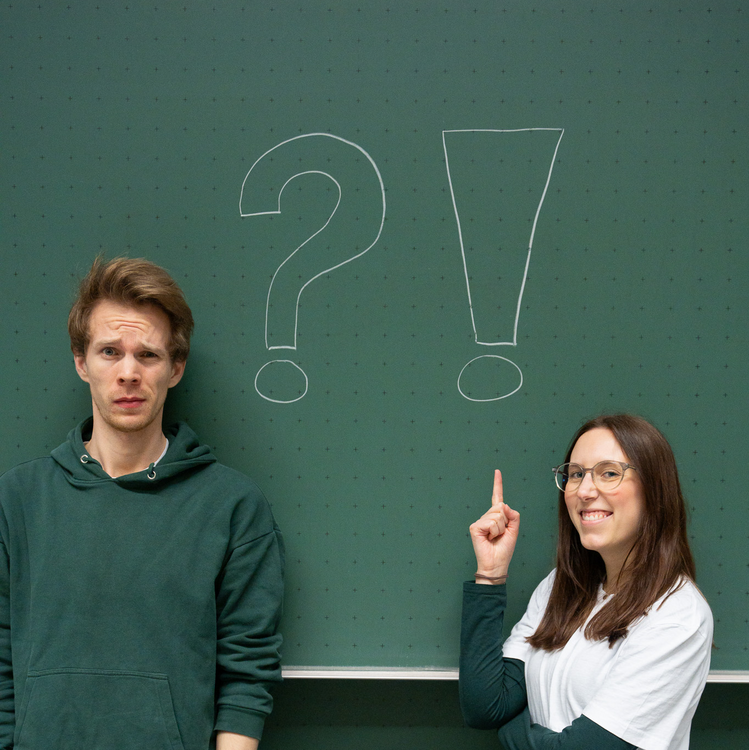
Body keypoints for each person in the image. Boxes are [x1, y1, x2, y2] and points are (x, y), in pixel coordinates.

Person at [0, 257, 284, 750]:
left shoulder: (232, 505)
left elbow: (247, 673)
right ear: (81, 362)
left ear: (175, 369)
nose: (128, 373)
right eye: (110, 351)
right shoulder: (18, 500)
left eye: (147, 356)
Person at [460, 414, 712, 750]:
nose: (584, 490)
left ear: (654, 488)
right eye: (576, 474)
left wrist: (512, 731)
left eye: (609, 473)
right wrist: (490, 575)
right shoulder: (559, 588)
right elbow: (486, 707)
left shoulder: (676, 615)